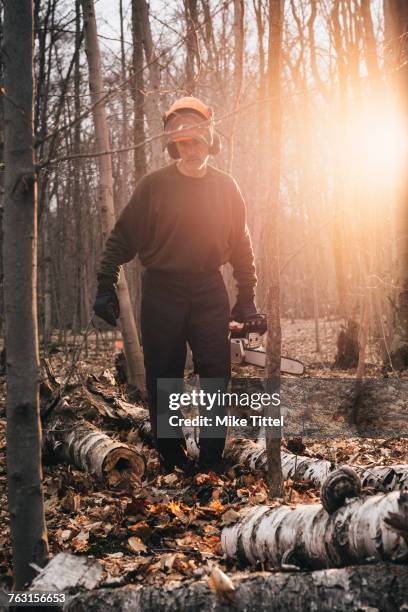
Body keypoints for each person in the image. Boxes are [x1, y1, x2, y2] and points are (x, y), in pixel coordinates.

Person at [93, 96, 257, 473]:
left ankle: (212, 459)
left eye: (198, 141)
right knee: (164, 375)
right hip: (162, 290)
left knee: (215, 372)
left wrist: (246, 297)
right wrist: (106, 282)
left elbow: (241, 246)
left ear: (209, 141)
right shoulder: (154, 187)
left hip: (208, 288)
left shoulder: (226, 187)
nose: (192, 149)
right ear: (174, 144)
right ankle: (171, 456)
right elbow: (122, 237)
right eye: (184, 143)